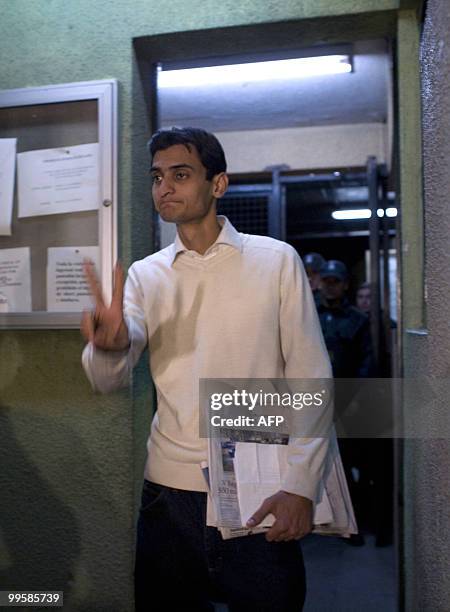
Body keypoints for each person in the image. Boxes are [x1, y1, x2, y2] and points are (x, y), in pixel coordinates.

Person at [81, 127, 332, 611]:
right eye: (157, 177)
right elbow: (106, 379)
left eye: (180, 174)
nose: (164, 188)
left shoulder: (275, 261)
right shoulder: (146, 274)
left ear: (218, 184)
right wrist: (110, 347)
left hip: (260, 486)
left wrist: (301, 485)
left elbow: (310, 379)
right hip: (168, 495)